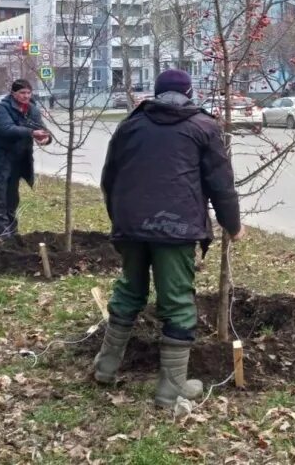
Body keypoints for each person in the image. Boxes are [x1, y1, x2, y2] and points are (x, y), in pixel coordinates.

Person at [96, 68, 243, 408]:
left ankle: (106, 366)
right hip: (176, 231)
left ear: (156, 92)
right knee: (177, 302)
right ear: (189, 93)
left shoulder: (130, 124)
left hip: (131, 225)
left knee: (129, 290)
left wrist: (121, 219)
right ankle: (171, 388)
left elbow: (110, 178)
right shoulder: (204, 127)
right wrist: (232, 224)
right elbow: (221, 185)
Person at [0, 79, 51, 240]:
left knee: (12, 202)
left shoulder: (32, 110)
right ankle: (3, 239)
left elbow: (42, 129)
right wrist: (31, 133)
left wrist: (46, 138)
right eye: (22, 93)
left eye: (28, 93)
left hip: (17, 165)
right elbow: (7, 129)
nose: (26, 96)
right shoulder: (2, 109)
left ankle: (13, 237)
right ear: (13, 94)